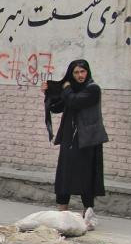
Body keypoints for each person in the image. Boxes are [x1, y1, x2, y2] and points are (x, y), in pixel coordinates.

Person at [42, 59, 107, 222]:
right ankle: (62, 213)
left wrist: (66, 88)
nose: (80, 75)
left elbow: (74, 101)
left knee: (87, 176)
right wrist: (48, 93)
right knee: (64, 175)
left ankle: (87, 213)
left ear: (88, 72)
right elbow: (58, 107)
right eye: (76, 72)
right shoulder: (71, 90)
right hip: (70, 139)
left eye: (82, 72)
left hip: (87, 140)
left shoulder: (93, 89)